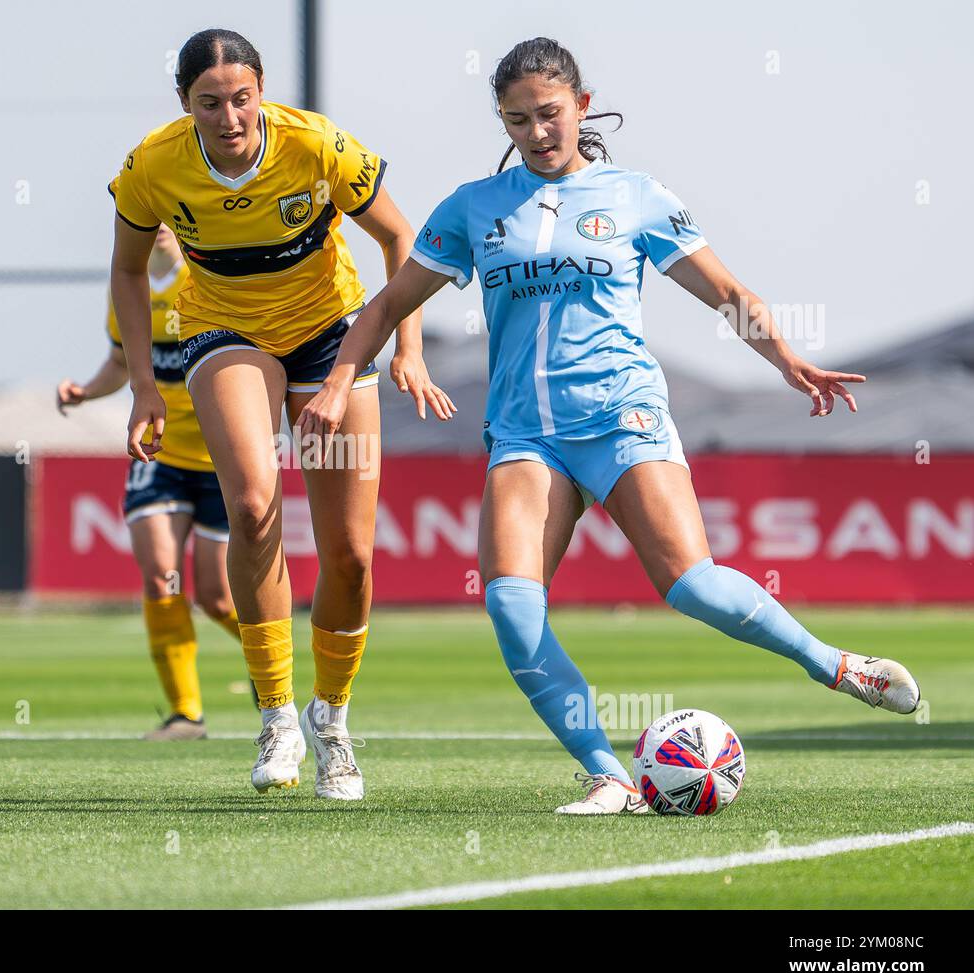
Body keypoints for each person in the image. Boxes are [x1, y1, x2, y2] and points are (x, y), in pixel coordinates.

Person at [298, 36, 920, 814]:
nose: (536, 132)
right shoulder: (472, 209)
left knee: (692, 586)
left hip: (622, 413)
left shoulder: (637, 196)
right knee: (510, 604)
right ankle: (609, 776)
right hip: (525, 432)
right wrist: (334, 381)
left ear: (582, 106)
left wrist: (789, 360)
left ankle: (837, 666)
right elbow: (389, 304)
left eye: (550, 114)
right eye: (517, 120)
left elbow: (726, 292)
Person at [108, 28, 449, 799]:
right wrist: (142, 386)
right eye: (208, 103)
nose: (228, 117)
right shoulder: (153, 167)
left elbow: (403, 239)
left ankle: (331, 721)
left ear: (261, 93)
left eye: (241, 99)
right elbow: (129, 272)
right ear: (184, 104)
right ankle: (276, 717)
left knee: (351, 554)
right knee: (256, 504)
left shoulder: (318, 145)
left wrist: (409, 349)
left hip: (331, 336)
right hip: (224, 333)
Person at [58, 224, 242, 741]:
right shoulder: (127, 285)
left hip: (220, 456)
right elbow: (121, 364)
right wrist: (86, 392)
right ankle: (186, 714)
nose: (160, 228)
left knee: (217, 598)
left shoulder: (210, 279)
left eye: (170, 217)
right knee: (161, 576)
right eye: (151, 216)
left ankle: (268, 659)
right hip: (157, 454)